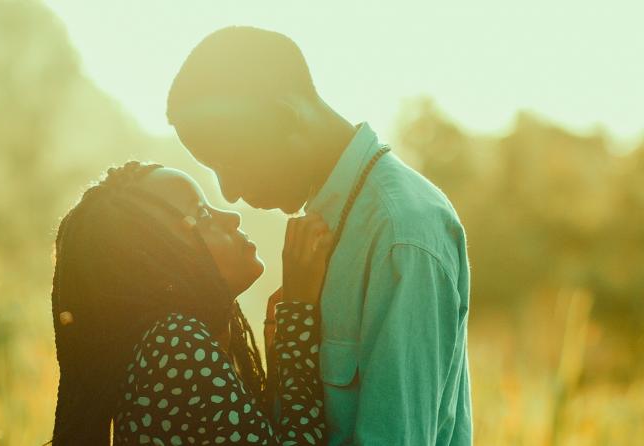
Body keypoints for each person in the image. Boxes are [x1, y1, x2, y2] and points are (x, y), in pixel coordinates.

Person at [167, 26, 473, 445]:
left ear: (286, 119)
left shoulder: (401, 231)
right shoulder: (320, 228)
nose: (230, 192)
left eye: (232, 161)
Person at [48, 160, 332, 445]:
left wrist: (279, 358)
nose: (232, 217)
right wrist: (298, 319)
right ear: (159, 262)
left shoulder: (170, 342)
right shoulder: (175, 343)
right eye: (202, 215)